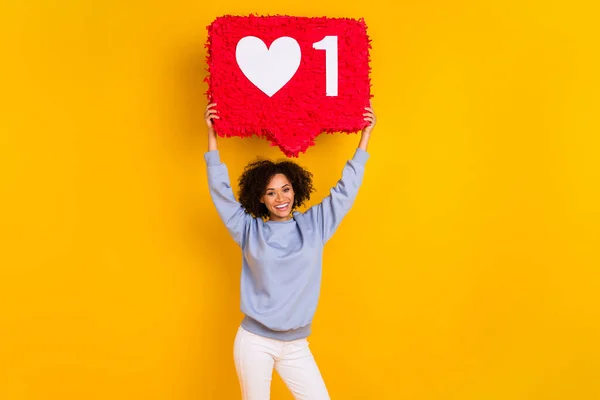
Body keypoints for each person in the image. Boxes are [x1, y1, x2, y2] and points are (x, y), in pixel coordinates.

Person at [204, 102, 376, 400]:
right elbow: (222, 195)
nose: (280, 198)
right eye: (270, 192)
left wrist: (365, 136)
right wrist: (212, 137)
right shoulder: (249, 230)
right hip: (255, 341)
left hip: (296, 344)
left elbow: (345, 190)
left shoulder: (315, 225)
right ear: (261, 199)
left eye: (285, 189)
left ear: (296, 189)